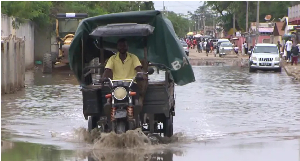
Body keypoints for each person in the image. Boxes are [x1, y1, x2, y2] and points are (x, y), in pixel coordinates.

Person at [101, 38, 147, 103]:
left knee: (137, 101)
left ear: (127, 47)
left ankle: (136, 111)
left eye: (124, 46)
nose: (122, 48)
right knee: (109, 100)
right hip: (116, 84)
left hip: (131, 83)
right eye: (120, 46)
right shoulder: (112, 59)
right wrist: (103, 78)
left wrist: (142, 75)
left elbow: (138, 69)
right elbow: (107, 70)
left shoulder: (133, 57)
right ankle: (109, 109)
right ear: (117, 47)